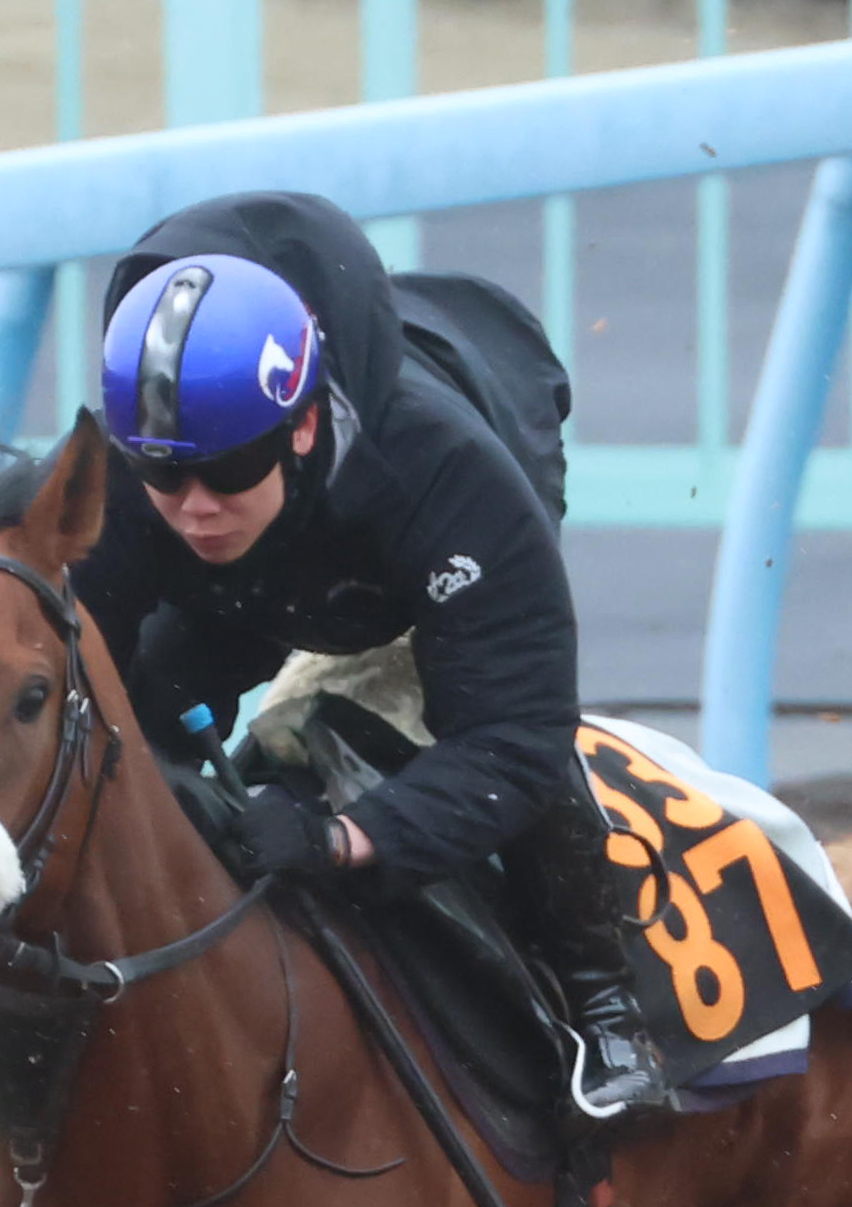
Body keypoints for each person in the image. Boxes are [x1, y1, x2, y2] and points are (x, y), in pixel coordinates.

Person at [72, 189, 670, 1122]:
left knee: (501, 742)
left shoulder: (448, 470)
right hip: (255, 577)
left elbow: (514, 734)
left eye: (226, 470)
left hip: (417, 539)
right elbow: (60, 680)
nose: (194, 506)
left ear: (303, 424)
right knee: (125, 708)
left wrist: (343, 839)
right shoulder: (130, 475)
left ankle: (607, 1010)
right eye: (162, 472)